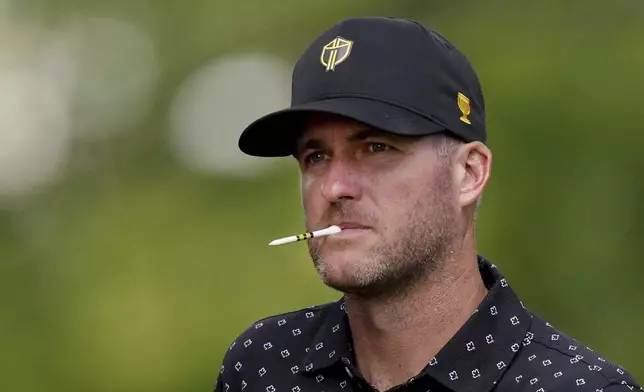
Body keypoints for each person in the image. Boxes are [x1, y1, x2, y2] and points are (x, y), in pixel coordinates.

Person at [214, 16, 641, 392]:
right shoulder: (263, 368)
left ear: (469, 173)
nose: (334, 187)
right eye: (316, 157)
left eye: (377, 147)